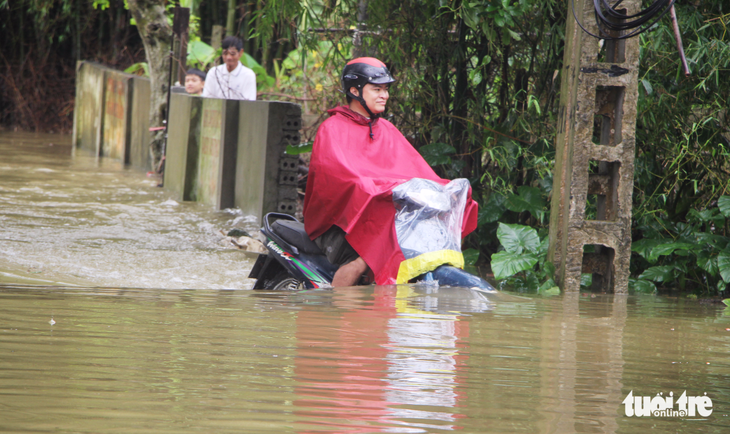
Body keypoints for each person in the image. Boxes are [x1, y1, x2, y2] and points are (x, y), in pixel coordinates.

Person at [303, 57, 478, 287]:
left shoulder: (386, 128)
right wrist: (378, 189)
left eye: (386, 89)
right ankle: (335, 316)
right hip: (339, 221)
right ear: (355, 91)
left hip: (384, 216)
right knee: (362, 260)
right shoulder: (332, 129)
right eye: (376, 89)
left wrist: (446, 190)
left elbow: (418, 171)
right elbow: (341, 179)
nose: (384, 95)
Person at [202, 36, 257, 100]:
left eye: (232, 54)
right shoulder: (214, 72)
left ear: (240, 53)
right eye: (225, 53)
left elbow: (249, 101)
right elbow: (207, 98)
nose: (228, 57)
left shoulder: (248, 75)